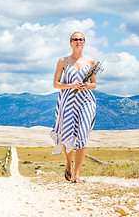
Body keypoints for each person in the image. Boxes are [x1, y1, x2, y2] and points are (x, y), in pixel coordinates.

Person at [50, 32, 97, 184]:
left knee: (83, 135)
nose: (78, 41)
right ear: (70, 42)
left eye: (81, 39)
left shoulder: (91, 62)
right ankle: (68, 164)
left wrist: (86, 85)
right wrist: (71, 86)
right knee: (68, 135)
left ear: (84, 42)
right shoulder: (63, 61)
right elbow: (56, 84)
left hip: (86, 101)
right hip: (68, 101)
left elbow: (94, 84)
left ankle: (77, 175)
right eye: (75, 39)